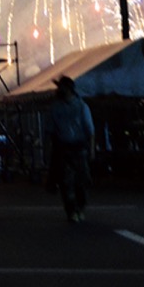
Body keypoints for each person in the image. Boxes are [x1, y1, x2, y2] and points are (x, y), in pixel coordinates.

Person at [46, 76, 94, 222]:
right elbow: (50, 131)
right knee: (66, 182)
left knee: (81, 181)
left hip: (79, 147)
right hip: (63, 148)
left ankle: (79, 207)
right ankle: (72, 210)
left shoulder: (81, 106)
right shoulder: (55, 108)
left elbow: (90, 130)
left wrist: (91, 150)